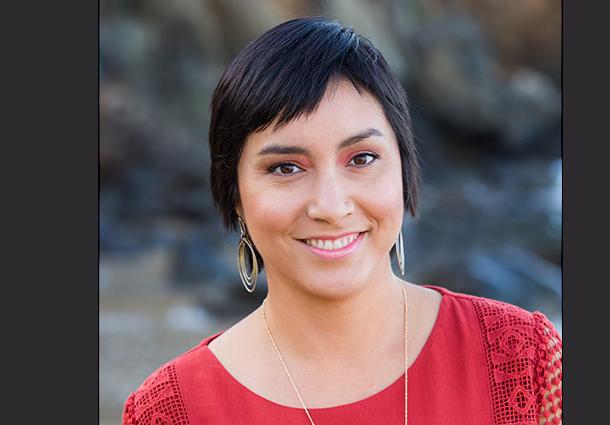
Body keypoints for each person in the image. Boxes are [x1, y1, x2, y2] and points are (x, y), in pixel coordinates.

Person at [121, 17, 562, 425]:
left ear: (405, 170)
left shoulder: (523, 362)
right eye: (285, 168)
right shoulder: (171, 410)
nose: (330, 206)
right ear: (235, 195)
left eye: (362, 158)